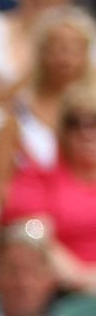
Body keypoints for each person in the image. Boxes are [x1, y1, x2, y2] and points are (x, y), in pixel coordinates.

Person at [0, 5, 96, 189]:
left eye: (74, 48)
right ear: (42, 52)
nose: (66, 57)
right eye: (58, 47)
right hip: (34, 213)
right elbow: (2, 183)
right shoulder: (18, 106)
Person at [6, 80, 96, 277]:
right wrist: (80, 277)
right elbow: (33, 232)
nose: (86, 132)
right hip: (64, 288)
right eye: (75, 123)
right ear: (62, 129)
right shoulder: (40, 174)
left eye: (94, 122)